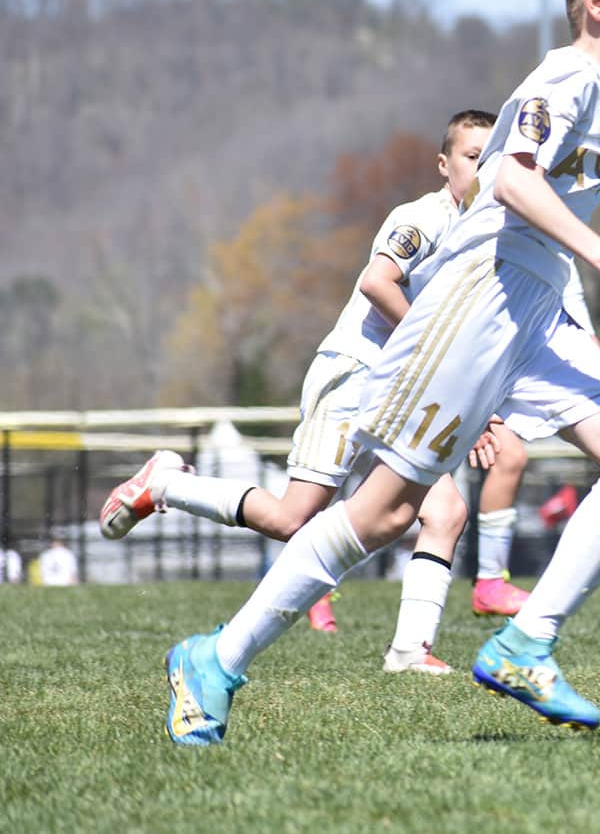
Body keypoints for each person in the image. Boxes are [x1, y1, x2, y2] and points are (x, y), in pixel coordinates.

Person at [158, 0, 600, 744]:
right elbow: (510, 181)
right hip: (480, 303)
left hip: (536, 310)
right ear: (595, 1)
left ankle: (526, 641)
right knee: (381, 516)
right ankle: (216, 660)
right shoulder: (567, 78)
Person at [102, 110, 566, 672]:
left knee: (444, 511)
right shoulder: (424, 217)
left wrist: (479, 404)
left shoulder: (488, 237)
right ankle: (168, 485)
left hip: (405, 386)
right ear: (445, 165)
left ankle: (409, 651)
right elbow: (377, 282)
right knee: (290, 519)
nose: (482, 168)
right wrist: (443, 361)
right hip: (355, 373)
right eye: (471, 157)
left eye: (491, 159)